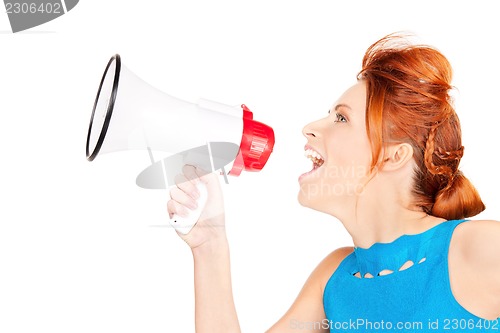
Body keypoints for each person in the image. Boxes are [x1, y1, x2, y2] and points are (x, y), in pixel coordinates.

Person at [167, 34, 500, 332]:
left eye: (341, 118)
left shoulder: (477, 248)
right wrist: (209, 244)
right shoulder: (334, 278)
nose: (310, 127)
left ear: (392, 156)